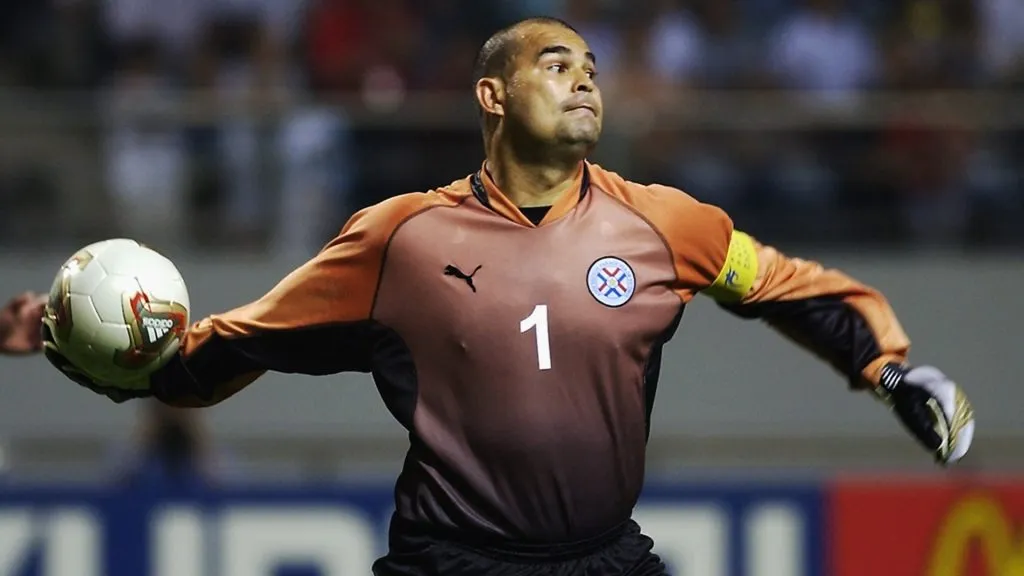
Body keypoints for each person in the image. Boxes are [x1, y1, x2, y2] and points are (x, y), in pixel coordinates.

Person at [40, 17, 975, 576]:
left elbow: (785, 288)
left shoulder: (665, 226)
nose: (585, 80)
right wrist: (135, 375)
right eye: (557, 64)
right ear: (491, 94)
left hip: (605, 558)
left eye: (592, 70)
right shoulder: (397, 239)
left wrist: (891, 371)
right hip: (447, 563)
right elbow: (240, 345)